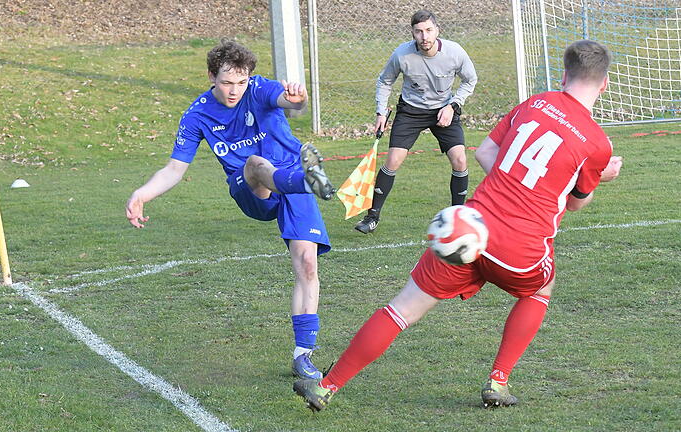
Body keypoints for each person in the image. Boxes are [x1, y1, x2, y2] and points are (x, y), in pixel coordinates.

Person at [294, 39, 623, 411]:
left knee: (402, 308)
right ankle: (497, 382)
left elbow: (484, 152)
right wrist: (604, 176)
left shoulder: (534, 103)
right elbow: (576, 202)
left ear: (564, 75)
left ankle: (326, 386)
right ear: (605, 84)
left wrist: (509, 185)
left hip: (468, 225)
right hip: (521, 250)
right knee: (540, 289)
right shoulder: (598, 143)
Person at [126, 40, 336, 380]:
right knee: (255, 163)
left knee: (307, 264)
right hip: (252, 187)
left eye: (240, 82)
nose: (234, 90)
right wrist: (142, 193)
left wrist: (298, 97)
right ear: (211, 76)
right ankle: (304, 180)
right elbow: (174, 169)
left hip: (295, 177)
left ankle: (302, 355)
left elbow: (287, 100)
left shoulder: (258, 87)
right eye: (226, 82)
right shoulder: (198, 115)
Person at [355, 9, 478, 234]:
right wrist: (381, 112)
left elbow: (470, 80)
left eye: (429, 30)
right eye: (419, 31)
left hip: (444, 110)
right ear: (412, 33)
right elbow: (385, 81)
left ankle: (457, 219)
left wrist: (454, 105)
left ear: (437, 31)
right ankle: (372, 217)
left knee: (460, 160)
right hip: (411, 110)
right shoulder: (402, 54)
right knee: (393, 160)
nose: (425, 37)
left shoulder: (455, 52)